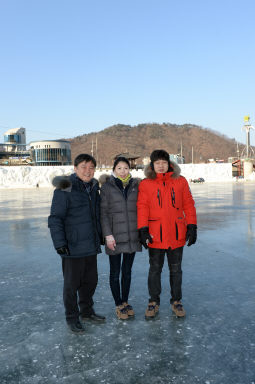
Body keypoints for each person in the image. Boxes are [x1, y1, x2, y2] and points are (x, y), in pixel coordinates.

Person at [48, 154, 105, 334]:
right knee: (71, 285)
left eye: (91, 167)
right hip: (72, 246)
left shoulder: (94, 188)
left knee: (90, 282)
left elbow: (96, 216)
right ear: (75, 168)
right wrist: (60, 243)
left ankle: (87, 312)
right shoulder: (65, 189)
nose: (87, 171)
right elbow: (55, 218)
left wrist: (101, 236)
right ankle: (72, 318)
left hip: (90, 245)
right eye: (83, 167)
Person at [137, 149, 197, 319]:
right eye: (157, 163)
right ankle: (153, 301)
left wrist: (192, 226)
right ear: (152, 165)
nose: (161, 166)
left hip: (177, 233)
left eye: (164, 162)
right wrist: (143, 229)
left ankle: (176, 301)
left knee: (176, 270)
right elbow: (142, 207)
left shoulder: (180, 181)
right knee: (155, 269)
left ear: (169, 164)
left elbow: (188, 204)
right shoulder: (146, 184)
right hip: (155, 235)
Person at [100, 157, 142, 320]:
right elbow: (103, 214)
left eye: (126, 168)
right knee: (115, 272)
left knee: (127, 272)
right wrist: (107, 235)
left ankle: (125, 301)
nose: (123, 171)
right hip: (114, 237)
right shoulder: (107, 187)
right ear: (114, 170)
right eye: (119, 168)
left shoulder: (135, 186)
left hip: (132, 235)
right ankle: (118, 304)